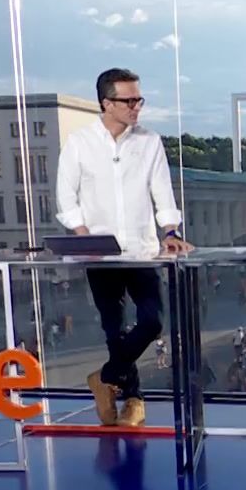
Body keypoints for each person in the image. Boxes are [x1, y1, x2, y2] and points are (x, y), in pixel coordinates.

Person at [57, 67, 192, 427]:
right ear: (106, 103)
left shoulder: (150, 142)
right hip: (99, 253)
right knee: (113, 329)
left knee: (153, 322)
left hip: (141, 251)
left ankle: (104, 378)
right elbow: (66, 196)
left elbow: (162, 191)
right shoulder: (80, 142)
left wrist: (170, 231)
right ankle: (133, 399)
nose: (136, 107)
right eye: (129, 101)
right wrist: (83, 234)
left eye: (139, 100)